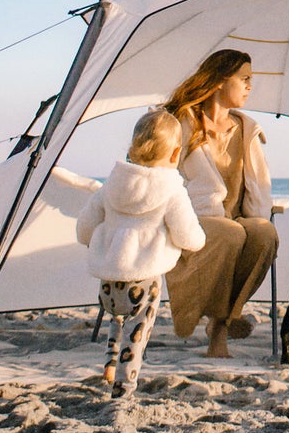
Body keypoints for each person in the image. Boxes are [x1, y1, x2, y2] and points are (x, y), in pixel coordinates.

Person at [75, 108, 206, 398]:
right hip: (143, 282)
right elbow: (189, 236)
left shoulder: (112, 183)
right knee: (138, 331)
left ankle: (110, 360)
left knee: (117, 317)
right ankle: (124, 385)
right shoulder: (172, 189)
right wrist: (198, 240)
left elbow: (83, 229)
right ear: (175, 155)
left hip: (108, 287)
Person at [162, 48, 278, 357]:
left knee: (264, 233)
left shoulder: (246, 130)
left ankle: (224, 319)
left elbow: (257, 187)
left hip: (235, 221)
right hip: (192, 220)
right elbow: (159, 175)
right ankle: (221, 333)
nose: (250, 86)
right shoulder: (181, 124)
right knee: (231, 234)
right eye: (244, 79)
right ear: (218, 81)